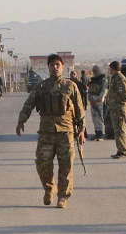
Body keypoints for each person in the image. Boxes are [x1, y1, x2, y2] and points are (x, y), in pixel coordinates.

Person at [16, 53, 85, 208]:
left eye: (57, 65)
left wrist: (81, 130)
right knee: (42, 164)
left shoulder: (70, 86)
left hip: (65, 133)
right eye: (52, 65)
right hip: (46, 133)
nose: (55, 67)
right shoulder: (41, 86)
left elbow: (80, 109)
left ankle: (63, 197)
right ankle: (49, 189)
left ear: (62, 67)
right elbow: (29, 104)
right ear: (48, 67)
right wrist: (21, 120)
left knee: (66, 166)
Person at [104, 59, 126, 159]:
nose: (109, 70)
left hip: (119, 108)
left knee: (120, 129)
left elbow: (123, 93)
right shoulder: (115, 78)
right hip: (115, 108)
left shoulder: (119, 78)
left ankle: (122, 151)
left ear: (114, 69)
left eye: (110, 69)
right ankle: (120, 149)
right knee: (118, 129)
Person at [86, 64, 107, 140]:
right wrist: (90, 99)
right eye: (93, 71)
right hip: (92, 101)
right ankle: (97, 133)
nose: (94, 72)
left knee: (99, 118)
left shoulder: (103, 80)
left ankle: (100, 134)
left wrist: (98, 100)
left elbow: (104, 91)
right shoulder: (92, 80)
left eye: (96, 71)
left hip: (99, 102)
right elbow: (89, 91)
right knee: (94, 118)